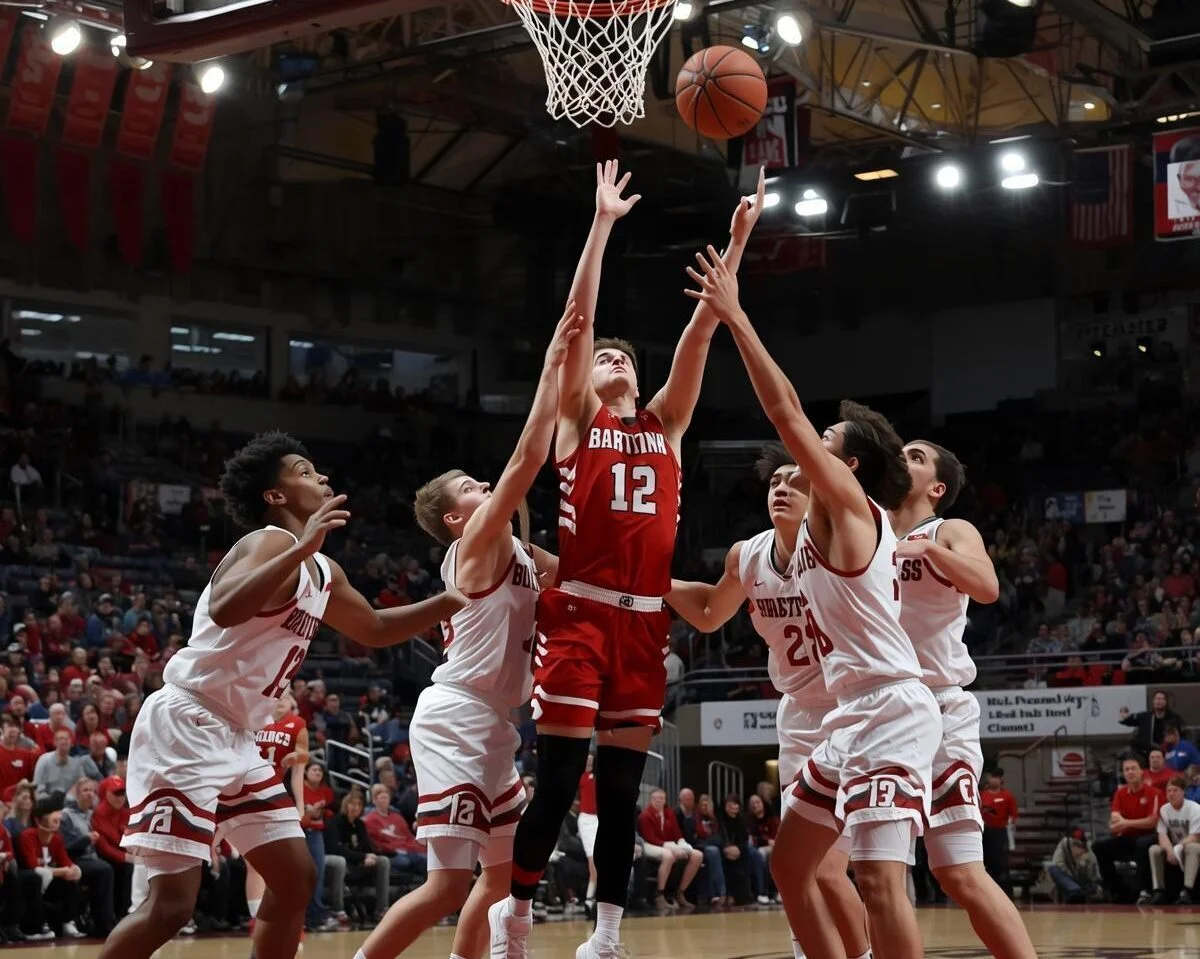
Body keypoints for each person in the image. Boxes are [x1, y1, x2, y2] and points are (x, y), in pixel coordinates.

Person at [490, 161, 768, 959]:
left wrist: (738, 246)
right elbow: (579, 320)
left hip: (645, 630)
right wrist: (603, 224)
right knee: (557, 779)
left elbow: (702, 330)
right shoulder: (577, 422)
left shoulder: (665, 425)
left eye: (625, 360)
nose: (616, 362)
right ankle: (518, 911)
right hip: (577, 616)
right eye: (606, 359)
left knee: (618, 794)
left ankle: (607, 932)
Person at [98, 431, 466, 959]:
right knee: (172, 907)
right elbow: (225, 608)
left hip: (237, 737)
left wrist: (450, 600)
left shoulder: (322, 569)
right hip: (187, 723)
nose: (320, 477)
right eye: (304, 471)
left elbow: (376, 628)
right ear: (275, 496)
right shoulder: (267, 542)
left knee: (295, 879)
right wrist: (301, 546)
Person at [684, 245, 939, 959]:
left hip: (890, 705)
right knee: (794, 865)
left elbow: (785, 408)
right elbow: (712, 604)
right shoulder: (806, 531)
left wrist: (734, 313)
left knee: (881, 882)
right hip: (844, 715)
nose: (803, 453)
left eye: (823, 445)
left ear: (849, 465)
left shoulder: (854, 511)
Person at [358, 305, 580, 959]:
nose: (485, 485)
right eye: (471, 487)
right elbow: (526, 456)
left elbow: (578, 579)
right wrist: (551, 368)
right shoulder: (479, 544)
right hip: (456, 715)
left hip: (494, 723)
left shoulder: (516, 550)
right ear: (457, 518)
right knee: (448, 883)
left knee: (507, 874)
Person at [667, 445, 869, 959]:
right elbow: (711, 612)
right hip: (798, 714)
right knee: (797, 866)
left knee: (830, 867)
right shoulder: (747, 555)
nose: (782, 488)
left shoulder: (839, 540)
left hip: (852, 709)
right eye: (775, 481)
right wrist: (648, 580)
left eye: (797, 482)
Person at [889, 441, 1038, 959]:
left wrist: (929, 551)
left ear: (937, 487)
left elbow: (989, 586)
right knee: (868, 868)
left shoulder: (947, 530)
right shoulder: (866, 531)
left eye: (915, 455)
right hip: (878, 709)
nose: (900, 457)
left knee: (957, 872)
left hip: (936, 705)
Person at [246, 692, 309, 931]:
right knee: (253, 862)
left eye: (285, 699)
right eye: (277, 699)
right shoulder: (253, 719)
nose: (280, 702)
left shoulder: (298, 725)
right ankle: (256, 918)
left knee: (289, 861)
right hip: (248, 791)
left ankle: (290, 918)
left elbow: (301, 766)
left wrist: (300, 806)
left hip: (277, 794)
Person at [1093, 756, 1163, 903]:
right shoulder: (1120, 793)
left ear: (1141, 772)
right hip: (1128, 836)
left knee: (1142, 844)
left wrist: (1126, 823)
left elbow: (1152, 821)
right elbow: (1115, 820)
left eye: (1133, 768)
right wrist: (1120, 823)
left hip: (1151, 835)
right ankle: (1116, 890)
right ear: (1123, 774)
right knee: (1099, 847)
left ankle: (1144, 891)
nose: (1130, 772)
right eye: (1126, 769)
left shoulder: (1154, 793)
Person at [17, 798, 85, 938]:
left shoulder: (56, 838)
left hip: (49, 879)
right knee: (35, 878)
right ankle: (37, 926)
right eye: (54, 817)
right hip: (28, 879)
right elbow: (32, 866)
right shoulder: (27, 835)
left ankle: (68, 922)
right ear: (39, 820)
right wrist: (64, 871)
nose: (58, 820)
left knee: (70, 879)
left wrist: (73, 870)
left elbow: (66, 862)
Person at [637, 787, 701, 911]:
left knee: (697, 855)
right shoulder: (644, 816)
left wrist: (683, 845)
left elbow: (677, 833)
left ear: (665, 800)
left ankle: (680, 892)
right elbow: (650, 838)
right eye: (655, 798)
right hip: (649, 844)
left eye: (661, 798)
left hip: (668, 844)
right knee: (669, 856)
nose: (659, 801)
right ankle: (659, 895)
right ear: (650, 800)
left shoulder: (669, 813)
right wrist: (673, 847)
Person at [1147, 775, 1199, 905]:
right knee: (1154, 849)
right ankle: (1159, 890)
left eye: (1175, 790)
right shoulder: (1164, 809)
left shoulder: (1195, 808)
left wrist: (1178, 847)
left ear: (1183, 792)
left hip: (1194, 844)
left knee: (1192, 847)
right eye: (1168, 791)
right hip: (1176, 846)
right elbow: (1162, 835)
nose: (1171, 794)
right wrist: (1170, 850)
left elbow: (1195, 836)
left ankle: (1187, 891)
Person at [979, 771, 1018, 896]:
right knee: (987, 864)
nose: (994, 780)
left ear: (1001, 780)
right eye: (992, 778)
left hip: (1001, 832)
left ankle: (1006, 893)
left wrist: (1009, 828)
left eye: (996, 778)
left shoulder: (1007, 796)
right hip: (986, 833)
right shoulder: (982, 795)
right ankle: (988, 894)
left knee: (1002, 864)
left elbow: (1014, 816)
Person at [1119, 691, 1183, 755]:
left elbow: (1176, 736)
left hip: (1166, 750)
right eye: (1157, 699)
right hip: (1146, 751)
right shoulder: (1145, 716)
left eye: (1161, 699)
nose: (1159, 701)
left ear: (1166, 702)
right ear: (1153, 701)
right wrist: (1125, 717)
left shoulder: (1174, 718)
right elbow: (1130, 720)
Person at [1048, 831, 1101, 904]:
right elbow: (1058, 864)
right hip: (1068, 880)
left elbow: (1092, 878)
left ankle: (1076, 892)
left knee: (1091, 887)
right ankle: (1075, 891)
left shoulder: (1090, 855)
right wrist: (1072, 876)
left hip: (1082, 884)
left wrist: (1083, 864)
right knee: (1053, 869)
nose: (1077, 848)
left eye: (1080, 846)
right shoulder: (1064, 844)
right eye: (1075, 845)